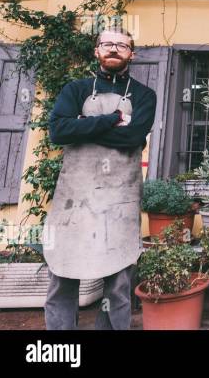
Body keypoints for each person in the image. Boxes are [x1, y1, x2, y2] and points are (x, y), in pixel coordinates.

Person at [43, 27, 156, 330]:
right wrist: (112, 120)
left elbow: (132, 138)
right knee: (63, 276)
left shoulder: (145, 95)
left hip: (120, 199)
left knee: (118, 283)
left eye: (122, 45)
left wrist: (85, 125)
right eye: (107, 44)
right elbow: (59, 131)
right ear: (96, 51)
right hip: (74, 200)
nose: (114, 49)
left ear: (132, 54)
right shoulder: (75, 89)